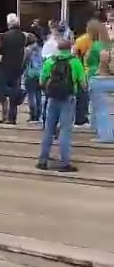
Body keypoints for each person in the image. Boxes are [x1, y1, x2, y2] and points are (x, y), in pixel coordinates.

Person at [37, 38, 86, 172]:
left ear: (57, 48)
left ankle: (43, 160)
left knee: (48, 130)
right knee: (65, 131)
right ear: (70, 47)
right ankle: (64, 162)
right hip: (68, 98)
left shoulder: (50, 61)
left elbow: (41, 80)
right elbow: (83, 83)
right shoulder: (75, 62)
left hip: (52, 98)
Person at [85, 20, 114, 142]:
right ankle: (96, 128)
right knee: (97, 107)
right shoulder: (110, 45)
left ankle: (106, 135)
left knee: (100, 108)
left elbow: (90, 63)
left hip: (97, 77)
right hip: (110, 78)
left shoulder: (95, 45)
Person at [0, 13, 26, 125]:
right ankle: (12, 117)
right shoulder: (22, 36)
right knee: (15, 88)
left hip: (6, 66)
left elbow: (1, 50)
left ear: (9, 23)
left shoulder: (5, 36)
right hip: (18, 66)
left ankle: (16, 94)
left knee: (1, 88)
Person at [73, 23, 93, 126]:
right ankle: (80, 118)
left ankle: (81, 118)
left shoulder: (82, 40)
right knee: (83, 96)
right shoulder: (84, 40)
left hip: (86, 71)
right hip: (86, 71)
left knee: (83, 97)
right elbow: (76, 54)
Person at [24, 32, 43, 122]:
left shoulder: (27, 50)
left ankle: (33, 115)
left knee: (31, 95)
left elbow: (25, 62)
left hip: (30, 74)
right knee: (38, 95)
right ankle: (39, 114)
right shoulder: (41, 49)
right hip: (40, 74)